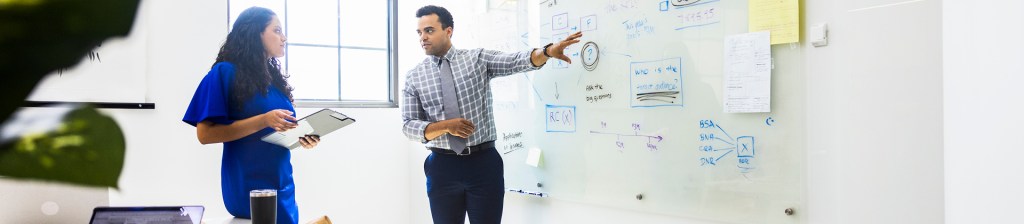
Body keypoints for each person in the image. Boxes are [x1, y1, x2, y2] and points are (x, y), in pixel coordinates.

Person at [402, 5, 582, 224]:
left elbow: (515, 61)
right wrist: (446, 126)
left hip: (483, 164)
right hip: (441, 166)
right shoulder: (414, 76)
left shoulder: (477, 59)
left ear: (448, 31)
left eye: (429, 30)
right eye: (419, 33)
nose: (423, 37)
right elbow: (409, 126)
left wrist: (546, 52)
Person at [182, 7, 319, 224]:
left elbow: (279, 132)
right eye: (277, 30)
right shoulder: (224, 73)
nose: (284, 38)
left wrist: (302, 138)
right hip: (248, 189)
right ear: (256, 33)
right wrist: (263, 120)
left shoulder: (275, 82)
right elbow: (205, 134)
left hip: (283, 190)